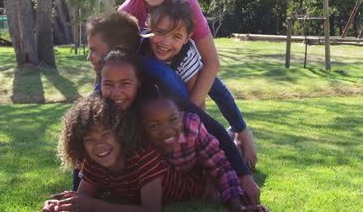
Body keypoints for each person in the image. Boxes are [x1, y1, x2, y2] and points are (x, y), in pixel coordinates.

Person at [82, 13, 261, 204]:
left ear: (117, 51)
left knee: (208, 145)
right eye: (108, 84)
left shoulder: (155, 87)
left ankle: (236, 139)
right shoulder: (105, 90)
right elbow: (85, 142)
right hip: (156, 170)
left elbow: (209, 125)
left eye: (93, 50)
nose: (89, 57)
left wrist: (244, 176)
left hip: (184, 162)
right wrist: (77, 196)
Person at [119, 0, 258, 170]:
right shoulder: (128, 11)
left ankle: (240, 131)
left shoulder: (186, 3)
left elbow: (212, 62)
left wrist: (192, 113)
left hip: (183, 58)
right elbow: (119, 63)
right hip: (148, 66)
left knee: (210, 81)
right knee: (159, 84)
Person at [42, 94, 209, 212]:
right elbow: (83, 200)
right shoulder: (94, 160)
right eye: (89, 140)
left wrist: (94, 206)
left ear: (120, 133)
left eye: (106, 135)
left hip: (198, 187)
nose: (99, 145)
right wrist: (59, 206)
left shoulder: (143, 156)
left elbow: (152, 209)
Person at [136, 79, 270, 212]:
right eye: (154, 125)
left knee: (230, 157)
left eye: (173, 119)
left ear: (179, 113)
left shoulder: (191, 126)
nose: (167, 131)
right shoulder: (140, 143)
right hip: (190, 182)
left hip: (202, 171)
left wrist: (237, 206)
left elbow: (219, 164)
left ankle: (235, 137)